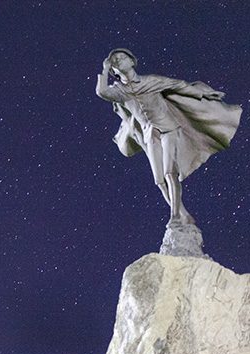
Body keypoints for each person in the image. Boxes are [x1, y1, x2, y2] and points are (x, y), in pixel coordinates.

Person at [95, 48, 241, 226]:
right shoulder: (119, 92)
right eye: (115, 61)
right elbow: (102, 92)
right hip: (150, 134)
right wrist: (104, 70)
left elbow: (178, 85)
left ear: (132, 61)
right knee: (159, 180)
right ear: (114, 71)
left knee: (170, 172)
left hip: (168, 128)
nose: (118, 61)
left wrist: (204, 94)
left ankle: (175, 217)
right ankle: (182, 213)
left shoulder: (151, 81)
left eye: (122, 57)